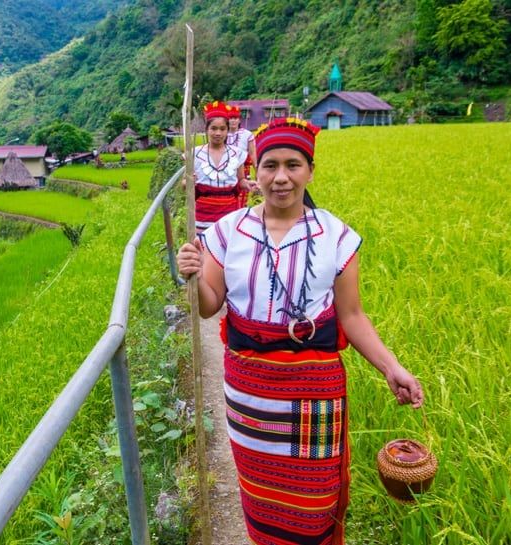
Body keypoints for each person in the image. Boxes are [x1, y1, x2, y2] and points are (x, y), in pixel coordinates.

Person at [177, 117, 424, 545]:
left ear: (310, 170)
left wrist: (392, 368)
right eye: (269, 165)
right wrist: (193, 277)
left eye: (293, 165)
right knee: (261, 496)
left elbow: (352, 317)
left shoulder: (336, 236)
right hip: (251, 393)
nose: (280, 177)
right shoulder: (226, 233)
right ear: (254, 171)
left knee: (314, 501)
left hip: (315, 391)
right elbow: (209, 307)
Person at [193, 100, 248, 231]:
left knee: (227, 248)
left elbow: (241, 181)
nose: (218, 133)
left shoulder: (236, 154)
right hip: (203, 215)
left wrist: (248, 184)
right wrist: (186, 183)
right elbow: (185, 182)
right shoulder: (194, 154)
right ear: (206, 129)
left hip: (229, 213)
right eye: (213, 128)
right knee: (202, 248)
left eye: (222, 129)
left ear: (227, 130)